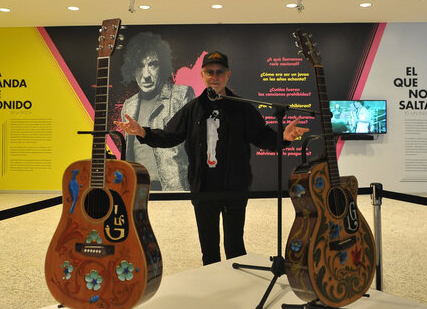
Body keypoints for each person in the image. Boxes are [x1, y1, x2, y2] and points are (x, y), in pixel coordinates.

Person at [115, 51, 309, 265]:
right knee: (209, 250)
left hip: (235, 188)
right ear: (202, 75)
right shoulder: (191, 109)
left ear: (228, 75)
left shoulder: (243, 108)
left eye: (220, 72)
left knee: (235, 247)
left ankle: (236, 287)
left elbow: (262, 137)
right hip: (203, 189)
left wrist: (283, 137)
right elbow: (170, 136)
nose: (214, 76)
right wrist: (143, 132)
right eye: (210, 72)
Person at [119, 32, 195, 191]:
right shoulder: (129, 105)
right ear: (132, 70)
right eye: (140, 66)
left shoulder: (181, 95)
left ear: (163, 67)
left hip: (174, 188)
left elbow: (194, 144)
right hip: (137, 187)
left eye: (152, 64)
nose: (146, 75)